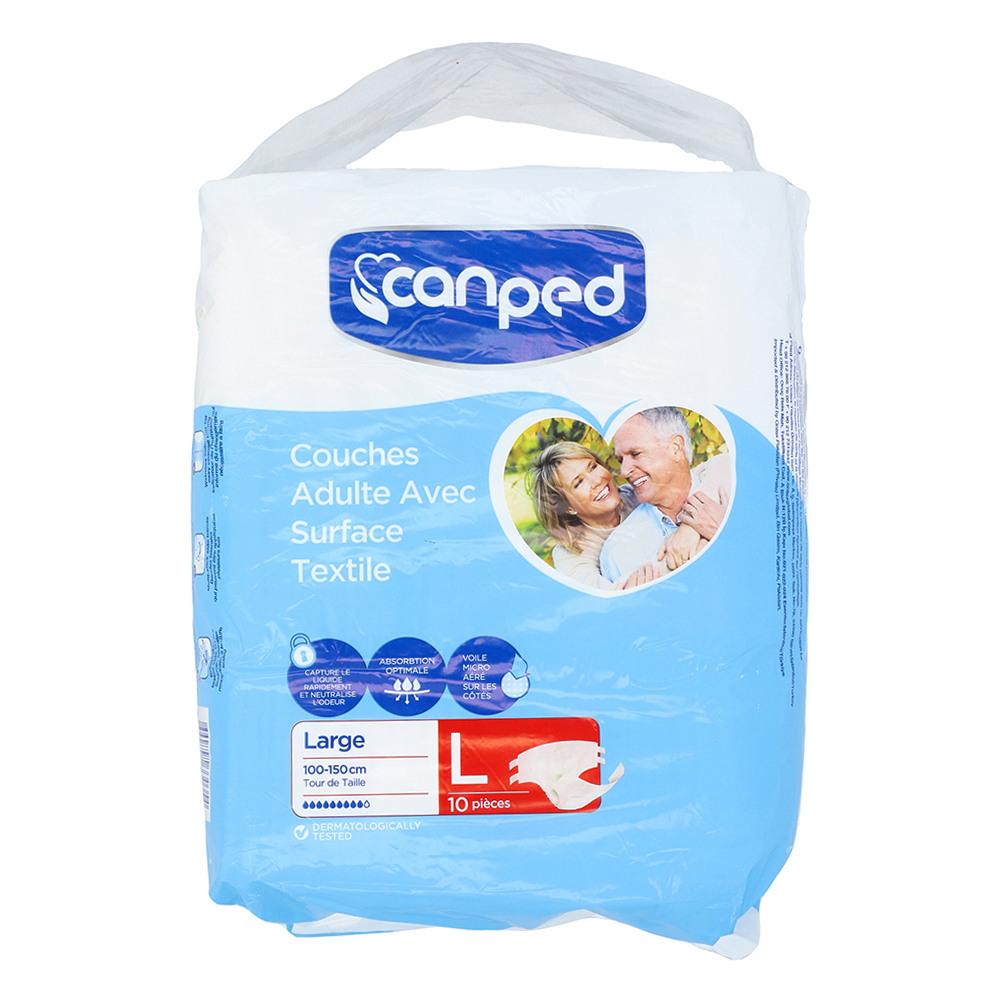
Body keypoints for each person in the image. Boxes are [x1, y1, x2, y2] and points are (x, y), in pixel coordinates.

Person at [600, 407, 732, 584]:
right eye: (620, 460)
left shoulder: (731, 483)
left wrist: (723, 533)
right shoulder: (619, 551)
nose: (624, 471)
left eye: (636, 454)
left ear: (675, 448)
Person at [527, 441, 660, 591]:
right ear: (568, 507)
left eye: (592, 467)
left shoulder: (637, 495)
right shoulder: (572, 554)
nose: (596, 480)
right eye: (579, 483)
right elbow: (606, 597)